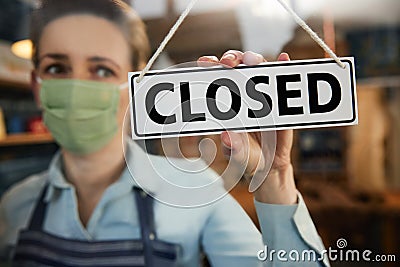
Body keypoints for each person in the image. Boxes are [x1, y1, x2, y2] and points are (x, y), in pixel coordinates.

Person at [0, 0, 330, 266]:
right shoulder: (14, 205)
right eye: (57, 68)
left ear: (136, 86)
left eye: (102, 69)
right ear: (36, 85)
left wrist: (274, 178)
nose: (77, 88)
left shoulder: (196, 191)